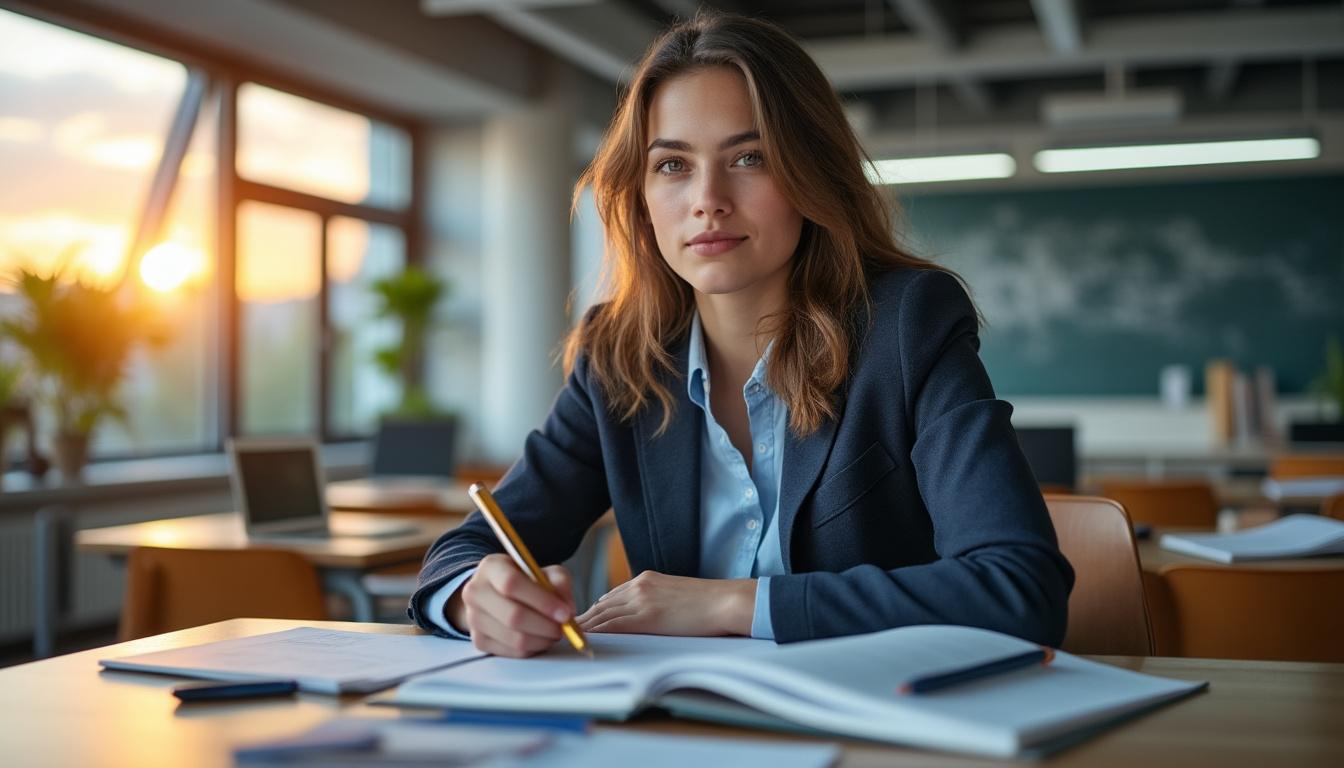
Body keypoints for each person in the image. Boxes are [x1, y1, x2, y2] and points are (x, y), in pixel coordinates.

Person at [409, 11, 1073, 658]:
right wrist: (474, 596)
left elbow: (1019, 585)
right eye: (672, 165)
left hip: (880, 722)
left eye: (749, 157)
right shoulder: (618, 354)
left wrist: (730, 603)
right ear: (638, 192)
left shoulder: (907, 324)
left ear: (811, 173)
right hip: (688, 725)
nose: (707, 199)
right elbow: (471, 548)